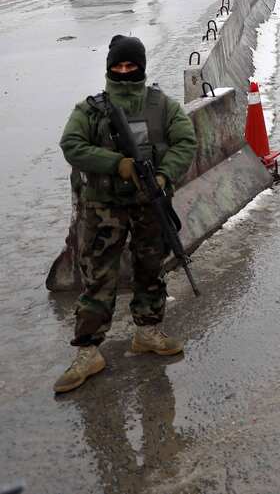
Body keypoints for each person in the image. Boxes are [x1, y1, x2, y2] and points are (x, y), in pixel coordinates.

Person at [54, 35, 197, 393]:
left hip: (150, 203)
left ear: (141, 66)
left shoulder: (161, 105)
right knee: (98, 279)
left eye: (130, 66)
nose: (123, 72)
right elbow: (72, 145)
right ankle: (88, 352)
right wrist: (116, 164)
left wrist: (163, 176)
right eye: (117, 66)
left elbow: (185, 142)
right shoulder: (90, 110)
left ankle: (147, 333)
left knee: (151, 270)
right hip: (103, 208)